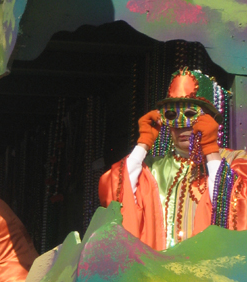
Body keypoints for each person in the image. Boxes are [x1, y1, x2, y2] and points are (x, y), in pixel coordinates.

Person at [99, 67, 247, 250]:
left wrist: (210, 149)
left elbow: (235, 208)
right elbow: (116, 194)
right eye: (172, 116)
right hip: (157, 273)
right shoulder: (152, 168)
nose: (182, 127)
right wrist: (143, 144)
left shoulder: (235, 162)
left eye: (191, 115)